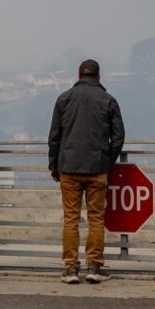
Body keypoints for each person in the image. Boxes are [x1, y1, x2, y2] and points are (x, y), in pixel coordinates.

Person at [48, 59, 125, 284]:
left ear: (79, 75)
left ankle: (71, 269)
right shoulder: (108, 100)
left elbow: (54, 137)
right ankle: (94, 267)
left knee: (71, 219)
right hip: (97, 167)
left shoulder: (63, 99)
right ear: (98, 76)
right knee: (96, 219)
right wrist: (107, 160)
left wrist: (54, 165)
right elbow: (118, 137)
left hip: (69, 167)